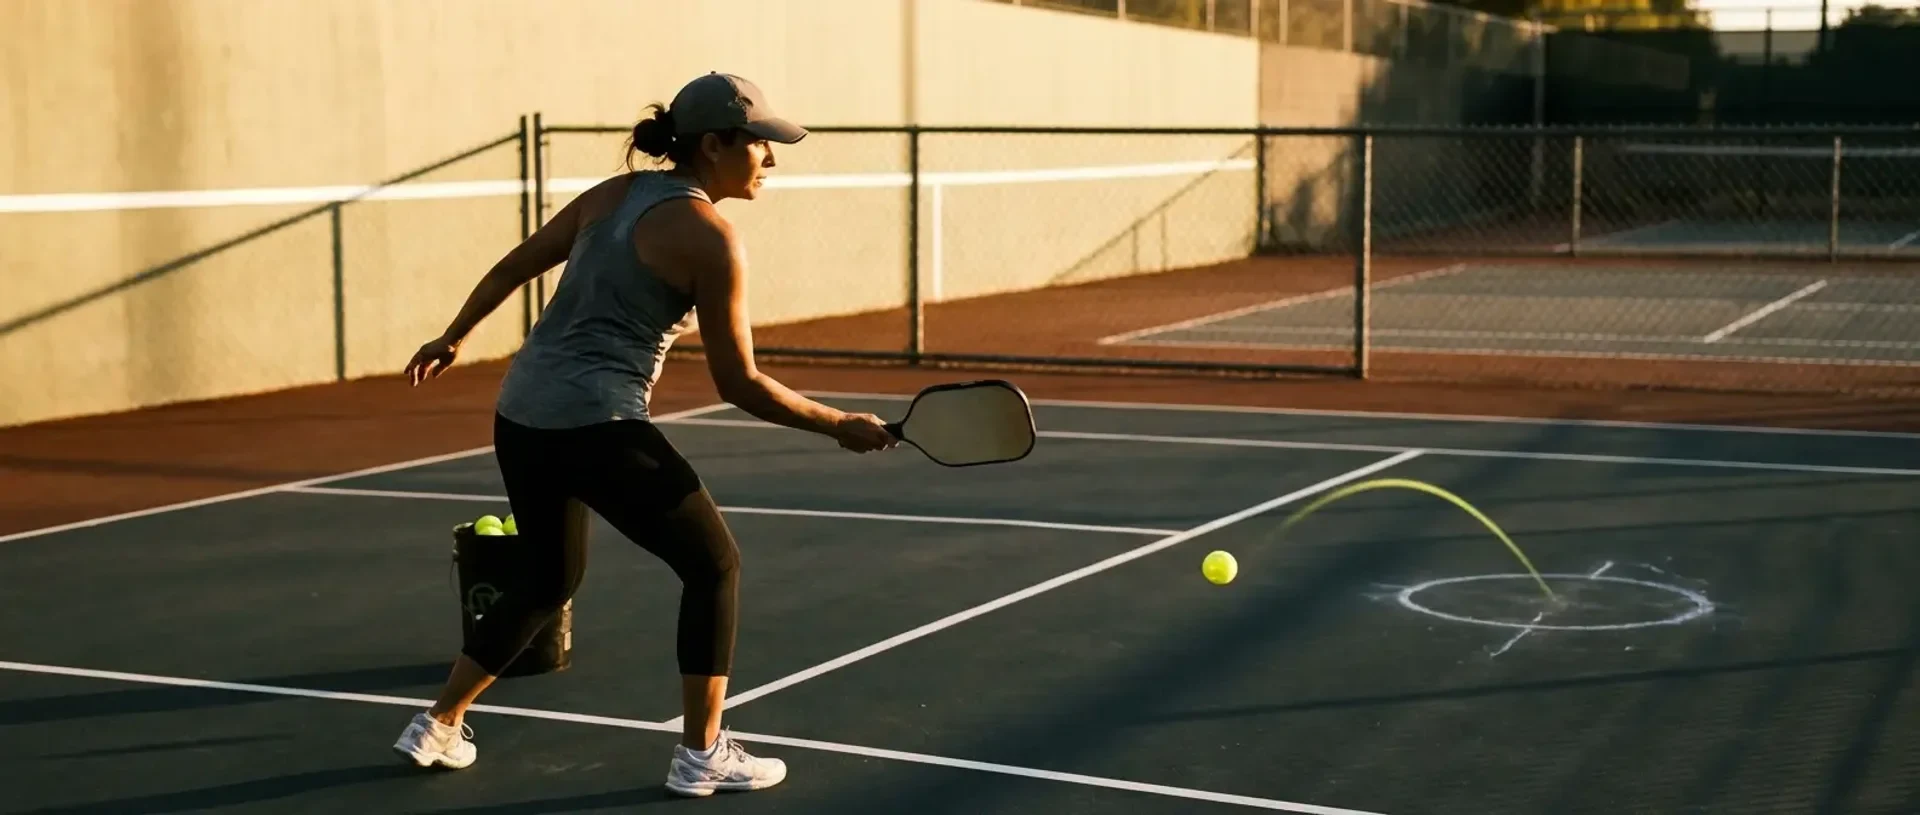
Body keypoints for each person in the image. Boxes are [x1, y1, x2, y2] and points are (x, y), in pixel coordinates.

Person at [389, 72, 898, 798]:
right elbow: (739, 383)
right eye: (759, 144)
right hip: (599, 426)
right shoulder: (713, 239)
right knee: (714, 566)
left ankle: (438, 723)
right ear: (714, 145)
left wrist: (453, 335)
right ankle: (702, 753)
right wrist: (838, 423)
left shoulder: (614, 194)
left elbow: (514, 264)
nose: (771, 159)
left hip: (522, 414)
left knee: (548, 577)